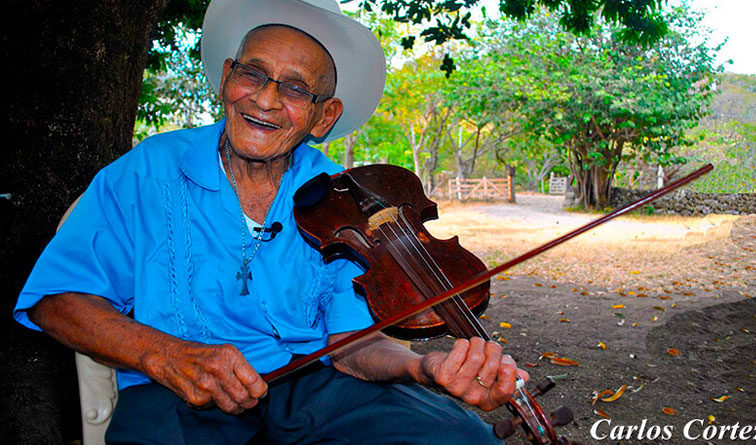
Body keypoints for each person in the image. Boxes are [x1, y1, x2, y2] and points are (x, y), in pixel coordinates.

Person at [14, 0, 527, 443]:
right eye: (252, 74)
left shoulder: (345, 199)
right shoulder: (145, 170)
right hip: (176, 392)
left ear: (324, 117)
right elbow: (58, 300)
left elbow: (353, 346)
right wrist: (164, 355)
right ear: (226, 79)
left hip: (310, 385)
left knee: (457, 436)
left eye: (295, 89)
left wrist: (425, 367)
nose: (264, 99)